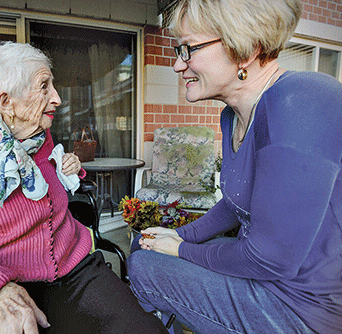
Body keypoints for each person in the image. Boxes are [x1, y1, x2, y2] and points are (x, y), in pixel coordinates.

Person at [0, 42, 168, 334]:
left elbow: (52, 179)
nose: (57, 98)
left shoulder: (39, 133)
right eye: (44, 87)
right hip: (6, 278)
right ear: (7, 101)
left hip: (76, 267)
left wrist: (72, 166)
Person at [127, 0, 342, 333]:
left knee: (144, 266)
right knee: (144, 241)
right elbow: (234, 204)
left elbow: (270, 258)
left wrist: (182, 250)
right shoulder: (232, 117)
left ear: (246, 49)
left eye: (188, 49)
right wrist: (175, 235)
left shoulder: (303, 99)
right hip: (265, 279)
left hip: (301, 309)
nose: (176, 65)